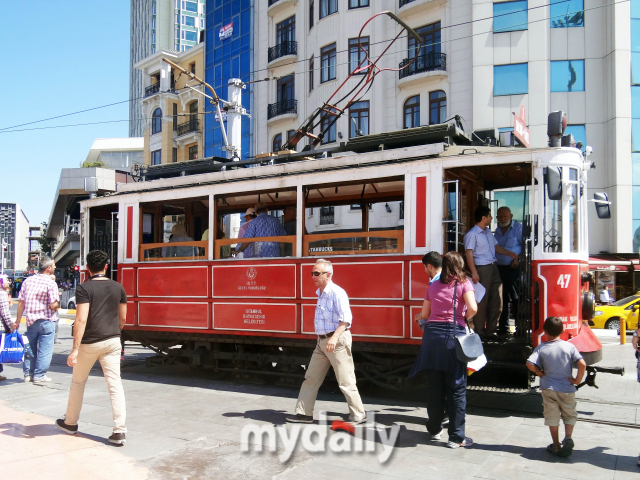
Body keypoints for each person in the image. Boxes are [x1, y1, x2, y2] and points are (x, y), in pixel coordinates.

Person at [55, 250, 128, 446]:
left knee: (78, 383)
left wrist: (75, 349)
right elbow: (123, 319)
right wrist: (114, 332)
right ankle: (119, 431)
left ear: (87, 268)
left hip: (89, 342)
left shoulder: (84, 288)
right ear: (106, 266)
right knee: (115, 385)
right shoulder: (118, 287)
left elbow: (81, 319)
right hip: (112, 341)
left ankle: (70, 423)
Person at [409, 251, 478, 448]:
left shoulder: (434, 285)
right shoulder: (464, 283)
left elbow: (424, 314)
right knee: (456, 387)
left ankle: (434, 429)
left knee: (435, 385)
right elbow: (473, 308)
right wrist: (463, 316)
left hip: (432, 339)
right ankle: (456, 437)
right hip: (452, 338)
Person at [289, 259, 367, 425]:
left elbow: (346, 320)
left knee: (345, 380)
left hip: (336, 340)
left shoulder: (337, 293)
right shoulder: (320, 293)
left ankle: (359, 415)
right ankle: (304, 414)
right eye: (312, 273)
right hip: (322, 342)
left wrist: (334, 338)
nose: (313, 277)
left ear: (328, 275)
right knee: (311, 377)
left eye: (317, 273)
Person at [526, 317, 586, 457]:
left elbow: (529, 363)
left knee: (552, 416)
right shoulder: (569, 346)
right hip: (567, 387)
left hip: (548, 388)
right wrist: (577, 380)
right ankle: (569, 437)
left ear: (545, 332)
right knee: (569, 413)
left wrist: (539, 372)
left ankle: (556, 445)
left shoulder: (542, 347)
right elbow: (582, 364)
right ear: (563, 330)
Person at [464, 206, 517, 339]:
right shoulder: (472, 234)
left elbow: (496, 247)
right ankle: (479, 331)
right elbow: (469, 254)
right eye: (489, 216)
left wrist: (509, 253)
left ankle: (492, 330)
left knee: (497, 300)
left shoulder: (487, 232)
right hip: (482, 268)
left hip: (493, 267)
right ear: (483, 218)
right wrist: (474, 272)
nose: (491, 218)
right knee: (482, 301)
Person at [12, 257, 59, 384]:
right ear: (48, 268)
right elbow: (54, 305)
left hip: (31, 321)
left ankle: (28, 374)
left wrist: (17, 320)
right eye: (54, 265)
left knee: (29, 348)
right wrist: (56, 304)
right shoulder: (51, 283)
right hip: (47, 321)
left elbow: (21, 302)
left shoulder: (28, 281)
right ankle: (39, 375)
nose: (55, 267)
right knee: (45, 349)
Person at [494, 206, 523, 335]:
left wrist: (518, 260)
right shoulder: (497, 230)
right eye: (499, 217)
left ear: (511, 216)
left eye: (504, 216)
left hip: (514, 268)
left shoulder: (518, 228)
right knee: (502, 299)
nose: (502, 219)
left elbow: (527, 247)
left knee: (516, 298)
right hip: (500, 268)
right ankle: (503, 328)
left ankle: (519, 329)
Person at [0, 278, 13, 381]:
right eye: (6, 280)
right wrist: (11, 326)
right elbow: (5, 314)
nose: (8, 282)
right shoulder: (2, 294)